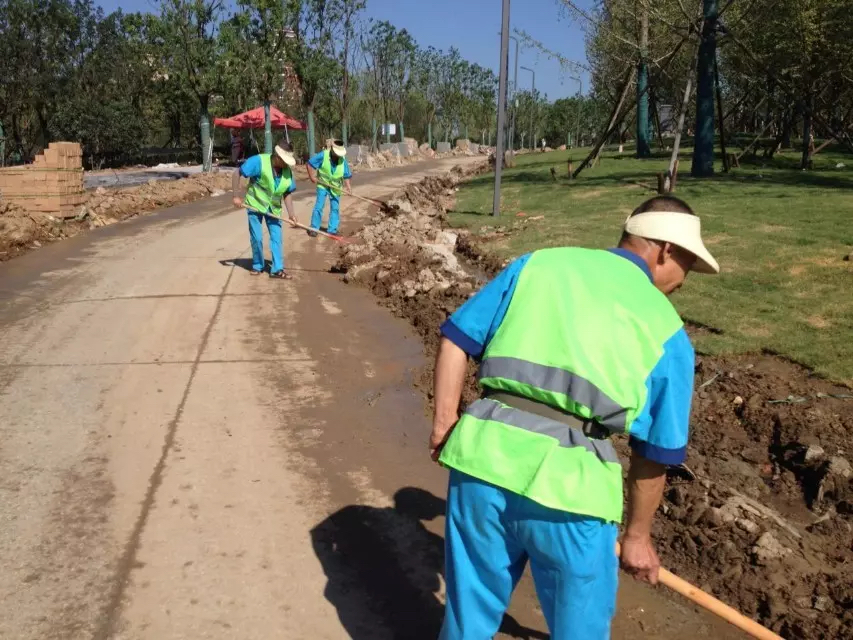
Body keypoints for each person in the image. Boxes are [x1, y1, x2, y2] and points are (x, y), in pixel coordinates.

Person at [430, 195, 720, 639]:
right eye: (687, 266)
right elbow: (655, 453)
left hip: (481, 461)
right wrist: (638, 538)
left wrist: (445, 423)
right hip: (572, 490)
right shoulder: (668, 331)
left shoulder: (539, 264)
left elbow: (456, 339)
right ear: (665, 249)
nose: (683, 282)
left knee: (467, 620)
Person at [231, 139, 298, 279]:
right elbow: (237, 173)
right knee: (257, 237)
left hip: (273, 209)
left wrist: (292, 214)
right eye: (284, 160)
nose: (286, 164)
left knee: (276, 237)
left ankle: (277, 269)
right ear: (277, 157)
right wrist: (236, 196)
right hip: (255, 204)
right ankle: (257, 265)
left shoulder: (287, 172)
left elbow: (287, 192)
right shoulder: (258, 161)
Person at [305, 140, 352, 237]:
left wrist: (348, 187)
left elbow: (346, 175)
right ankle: (314, 228)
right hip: (323, 184)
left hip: (335, 187)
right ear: (333, 151)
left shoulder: (342, 161)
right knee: (319, 206)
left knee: (335, 208)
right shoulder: (323, 155)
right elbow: (310, 164)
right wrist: (312, 176)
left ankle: (332, 230)